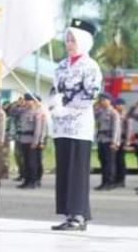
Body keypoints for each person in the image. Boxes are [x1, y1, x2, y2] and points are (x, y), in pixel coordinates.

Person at [48, 19, 102, 231]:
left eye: (73, 39)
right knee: (64, 170)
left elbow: (90, 95)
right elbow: (54, 90)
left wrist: (67, 110)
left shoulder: (90, 66)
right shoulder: (61, 66)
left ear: (84, 41)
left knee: (77, 171)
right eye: (67, 39)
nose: (69, 43)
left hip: (79, 126)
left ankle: (79, 215)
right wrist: (53, 107)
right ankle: (70, 213)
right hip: (61, 126)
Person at [95, 93, 121, 191]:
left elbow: (116, 128)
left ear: (109, 101)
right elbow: (93, 117)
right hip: (101, 139)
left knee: (109, 162)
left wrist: (114, 142)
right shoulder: (100, 111)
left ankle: (110, 182)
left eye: (103, 100)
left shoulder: (114, 113)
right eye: (100, 100)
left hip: (110, 140)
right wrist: (96, 106)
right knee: (103, 161)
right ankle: (104, 182)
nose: (101, 102)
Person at [113, 98, 128, 188]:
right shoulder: (116, 114)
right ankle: (116, 178)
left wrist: (127, 141)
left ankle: (121, 180)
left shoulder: (126, 115)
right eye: (116, 105)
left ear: (123, 105)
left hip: (122, 139)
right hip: (116, 139)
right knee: (115, 160)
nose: (117, 106)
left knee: (120, 161)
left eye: (119, 104)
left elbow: (129, 128)